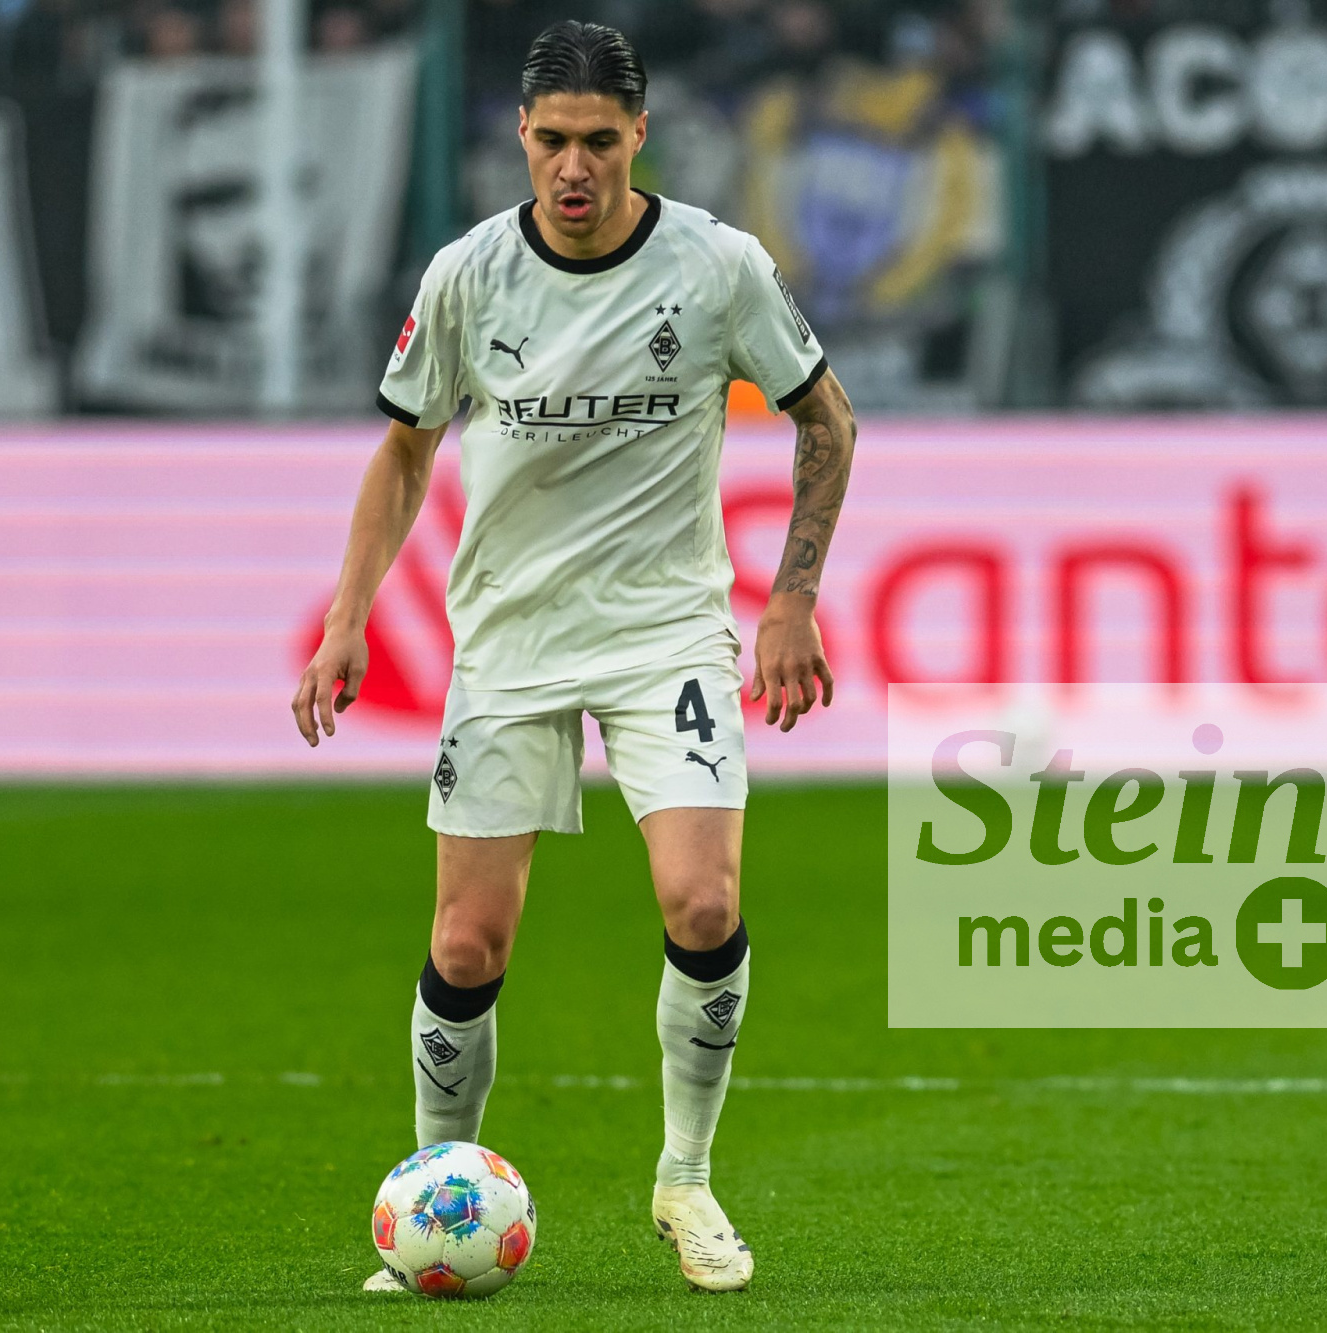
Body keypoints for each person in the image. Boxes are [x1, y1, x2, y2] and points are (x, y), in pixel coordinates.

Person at [291, 17, 855, 1295]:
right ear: (521, 136)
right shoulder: (468, 275)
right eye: (551, 140)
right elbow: (403, 451)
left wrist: (791, 599)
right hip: (508, 641)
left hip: (667, 636)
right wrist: (344, 619)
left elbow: (826, 420)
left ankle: (686, 1179)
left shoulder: (716, 265)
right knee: (466, 945)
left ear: (639, 135)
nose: (574, 167)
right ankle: (435, 1188)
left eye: (600, 140)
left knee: (703, 905)